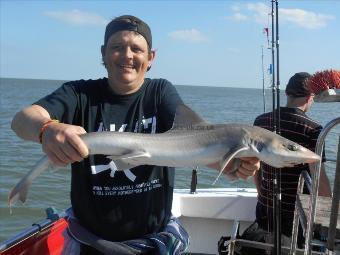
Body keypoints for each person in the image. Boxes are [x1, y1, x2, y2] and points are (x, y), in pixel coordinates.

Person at [11, 15, 260, 255]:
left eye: (136, 49)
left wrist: (230, 163)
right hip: (90, 241)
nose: (128, 55)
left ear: (150, 57)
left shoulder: (160, 92)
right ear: (103, 54)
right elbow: (21, 120)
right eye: (117, 47)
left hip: (153, 241)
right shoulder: (80, 94)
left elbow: (194, 140)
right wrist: (47, 129)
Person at [239, 72, 332, 255]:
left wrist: (262, 195)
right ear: (309, 97)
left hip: (265, 207)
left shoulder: (261, 121)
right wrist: (330, 211)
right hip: (296, 213)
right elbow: (318, 177)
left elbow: (255, 165)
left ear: (287, 93)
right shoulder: (313, 129)